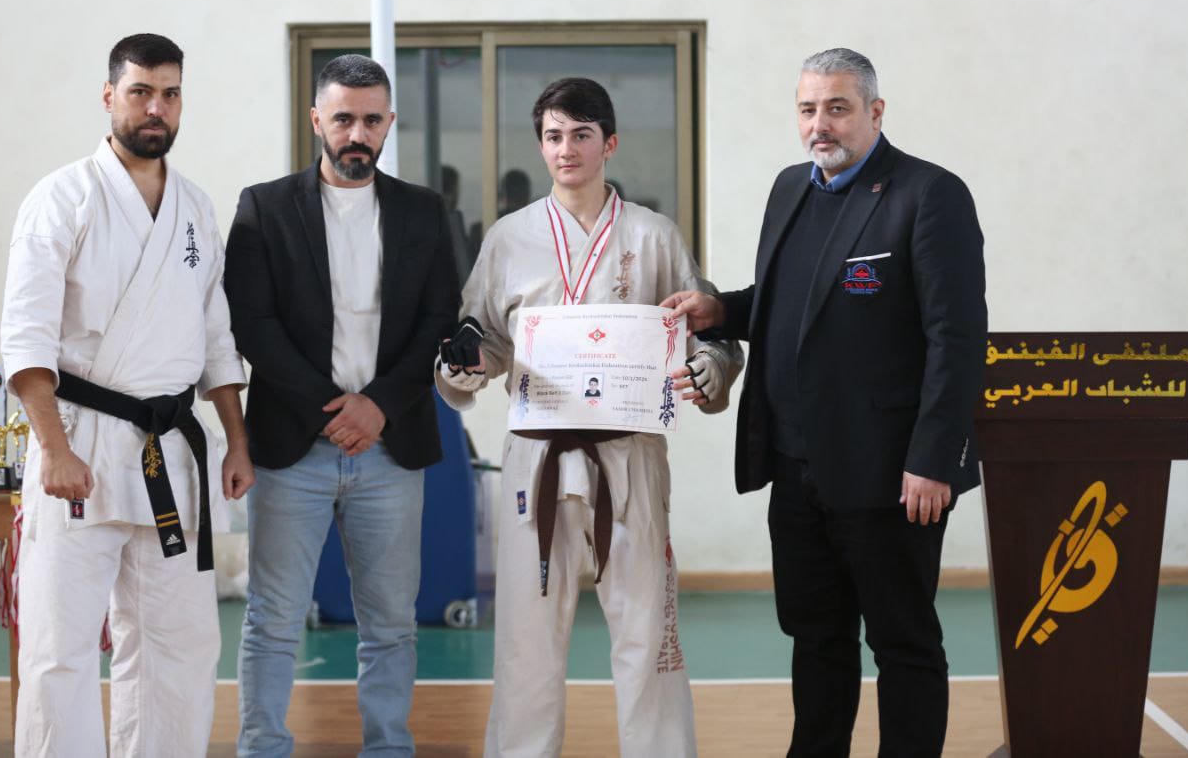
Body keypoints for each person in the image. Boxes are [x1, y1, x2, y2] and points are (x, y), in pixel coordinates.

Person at [663, 48, 987, 756]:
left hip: (893, 475)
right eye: (808, 109)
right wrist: (723, 310)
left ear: (875, 111)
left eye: (838, 108)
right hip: (796, 466)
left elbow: (957, 340)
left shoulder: (929, 194)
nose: (820, 124)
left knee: (903, 643)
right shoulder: (791, 188)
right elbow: (791, 302)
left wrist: (934, 459)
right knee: (816, 639)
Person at [436, 77, 743, 757]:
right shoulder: (508, 238)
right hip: (536, 456)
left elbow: (711, 332)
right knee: (526, 636)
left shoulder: (654, 235)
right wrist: (463, 362)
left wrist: (710, 368)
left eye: (581, 134)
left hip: (629, 451)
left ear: (610, 143)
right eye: (553, 136)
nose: (566, 149)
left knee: (647, 631)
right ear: (540, 145)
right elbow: (482, 341)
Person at [0, 33, 254, 757]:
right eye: (140, 92)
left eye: (170, 94)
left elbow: (216, 337)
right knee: (60, 647)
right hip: (79, 442)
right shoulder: (62, 197)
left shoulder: (195, 207)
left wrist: (235, 441)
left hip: (171, 451)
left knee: (181, 645)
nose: (155, 108)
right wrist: (52, 449)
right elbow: (26, 336)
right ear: (109, 96)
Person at [225, 54, 459, 756]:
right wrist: (338, 407)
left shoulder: (423, 211)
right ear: (316, 120)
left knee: (390, 623)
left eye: (371, 120)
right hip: (291, 446)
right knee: (273, 617)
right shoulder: (264, 207)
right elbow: (252, 326)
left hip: (391, 446)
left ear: (389, 122)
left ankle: (388, 747)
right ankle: (262, 747)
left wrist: (378, 406)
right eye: (343, 119)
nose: (357, 134)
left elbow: (439, 320)